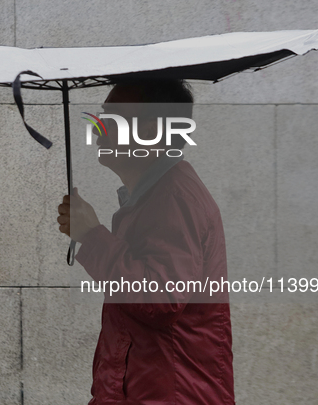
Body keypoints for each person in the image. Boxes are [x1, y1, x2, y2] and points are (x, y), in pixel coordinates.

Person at [57, 77, 235, 404]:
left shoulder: (174, 199)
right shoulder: (152, 198)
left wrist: (92, 236)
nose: (96, 129)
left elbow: (161, 299)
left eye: (110, 119)